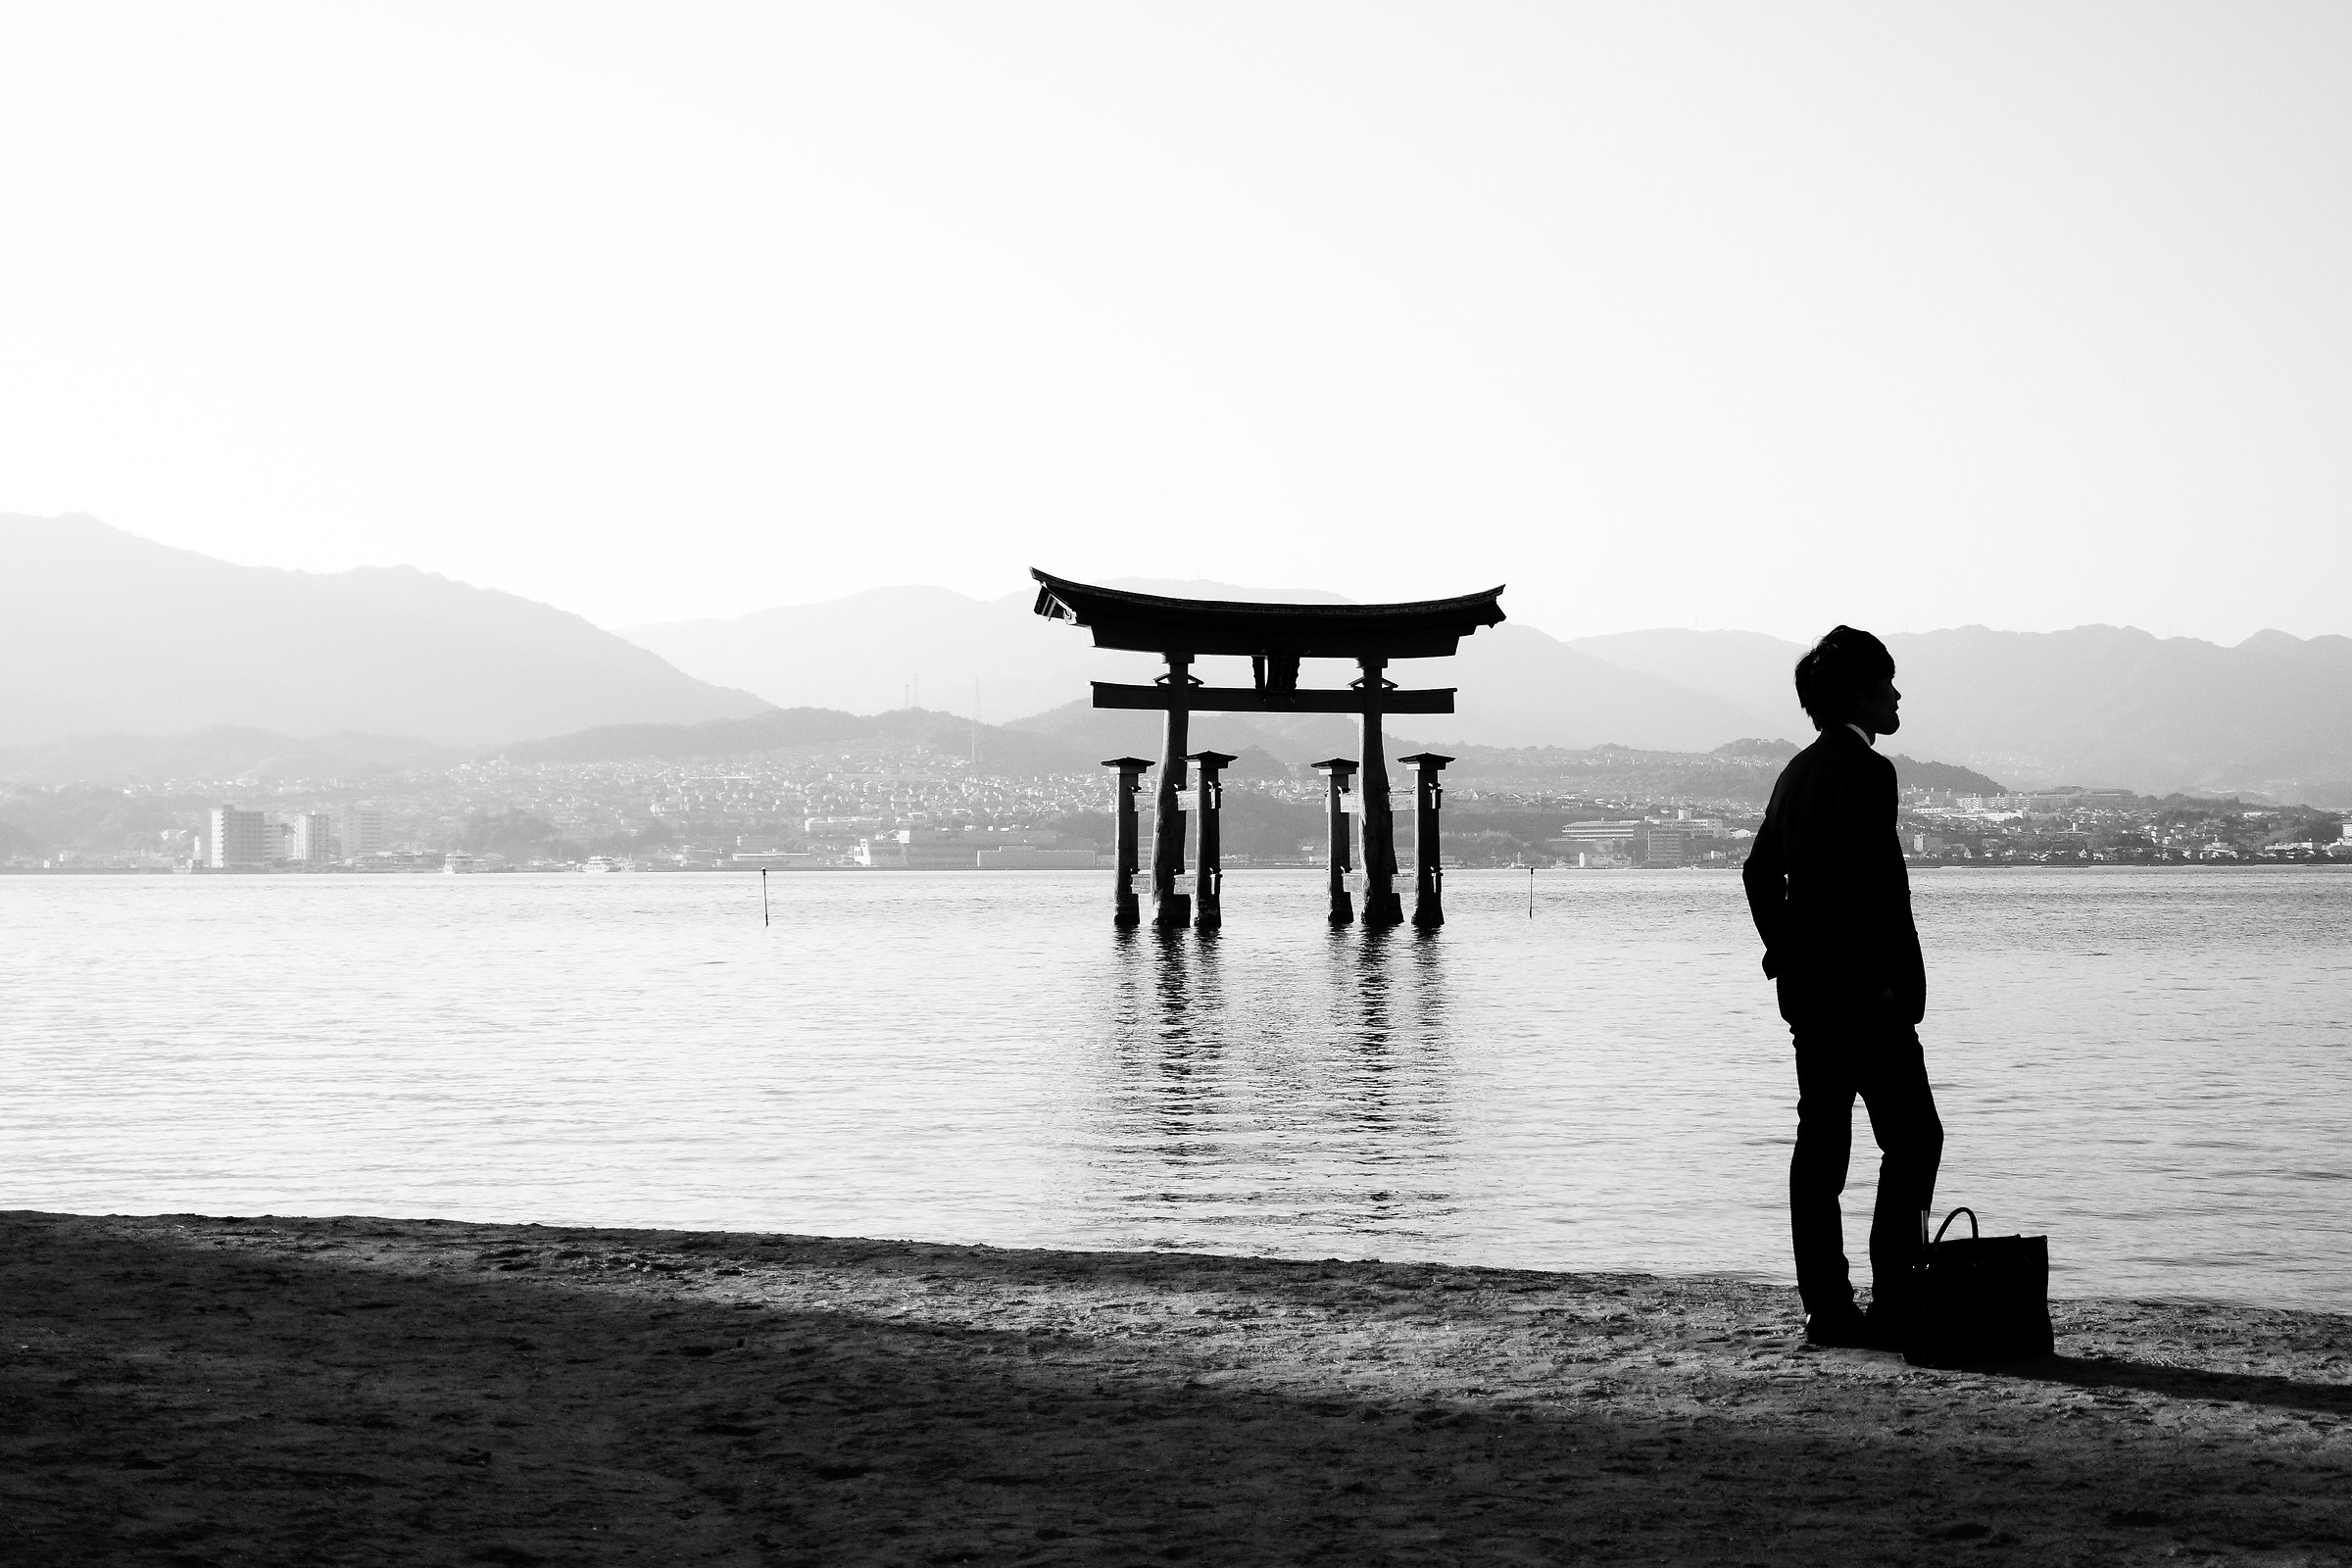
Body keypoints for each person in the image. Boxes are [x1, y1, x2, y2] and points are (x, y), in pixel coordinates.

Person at [1741, 625, 1943, 1348]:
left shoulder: (1793, 774)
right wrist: (1888, 986)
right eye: (1887, 682)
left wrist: (1785, 953)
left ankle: (1826, 1307)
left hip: (1809, 997)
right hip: (1866, 997)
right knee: (1915, 1141)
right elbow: (1877, 891)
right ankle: (1894, 1300)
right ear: (1858, 691)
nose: (1896, 694)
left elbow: (1758, 875)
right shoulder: (1869, 770)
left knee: (1821, 1148)